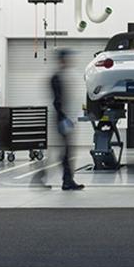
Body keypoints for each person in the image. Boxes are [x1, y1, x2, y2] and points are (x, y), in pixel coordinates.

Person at [32, 49, 84, 190]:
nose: (70, 61)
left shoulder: (63, 75)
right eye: (67, 59)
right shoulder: (56, 77)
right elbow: (57, 101)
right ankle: (62, 180)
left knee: (63, 151)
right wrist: (63, 118)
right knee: (64, 151)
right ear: (62, 60)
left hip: (63, 117)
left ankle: (65, 180)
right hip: (61, 118)